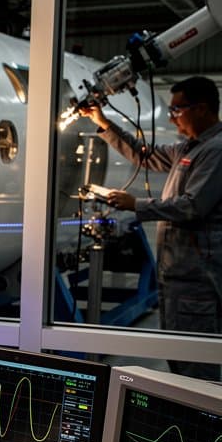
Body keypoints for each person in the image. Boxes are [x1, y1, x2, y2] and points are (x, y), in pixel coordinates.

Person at [81, 76, 222, 381]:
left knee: (197, 367)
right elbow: (143, 155)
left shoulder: (216, 150)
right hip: (177, 274)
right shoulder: (190, 147)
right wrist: (103, 123)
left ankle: (202, 424)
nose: (172, 117)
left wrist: (137, 205)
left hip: (198, 278)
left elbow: (191, 206)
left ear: (201, 109)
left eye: (177, 110)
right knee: (178, 358)